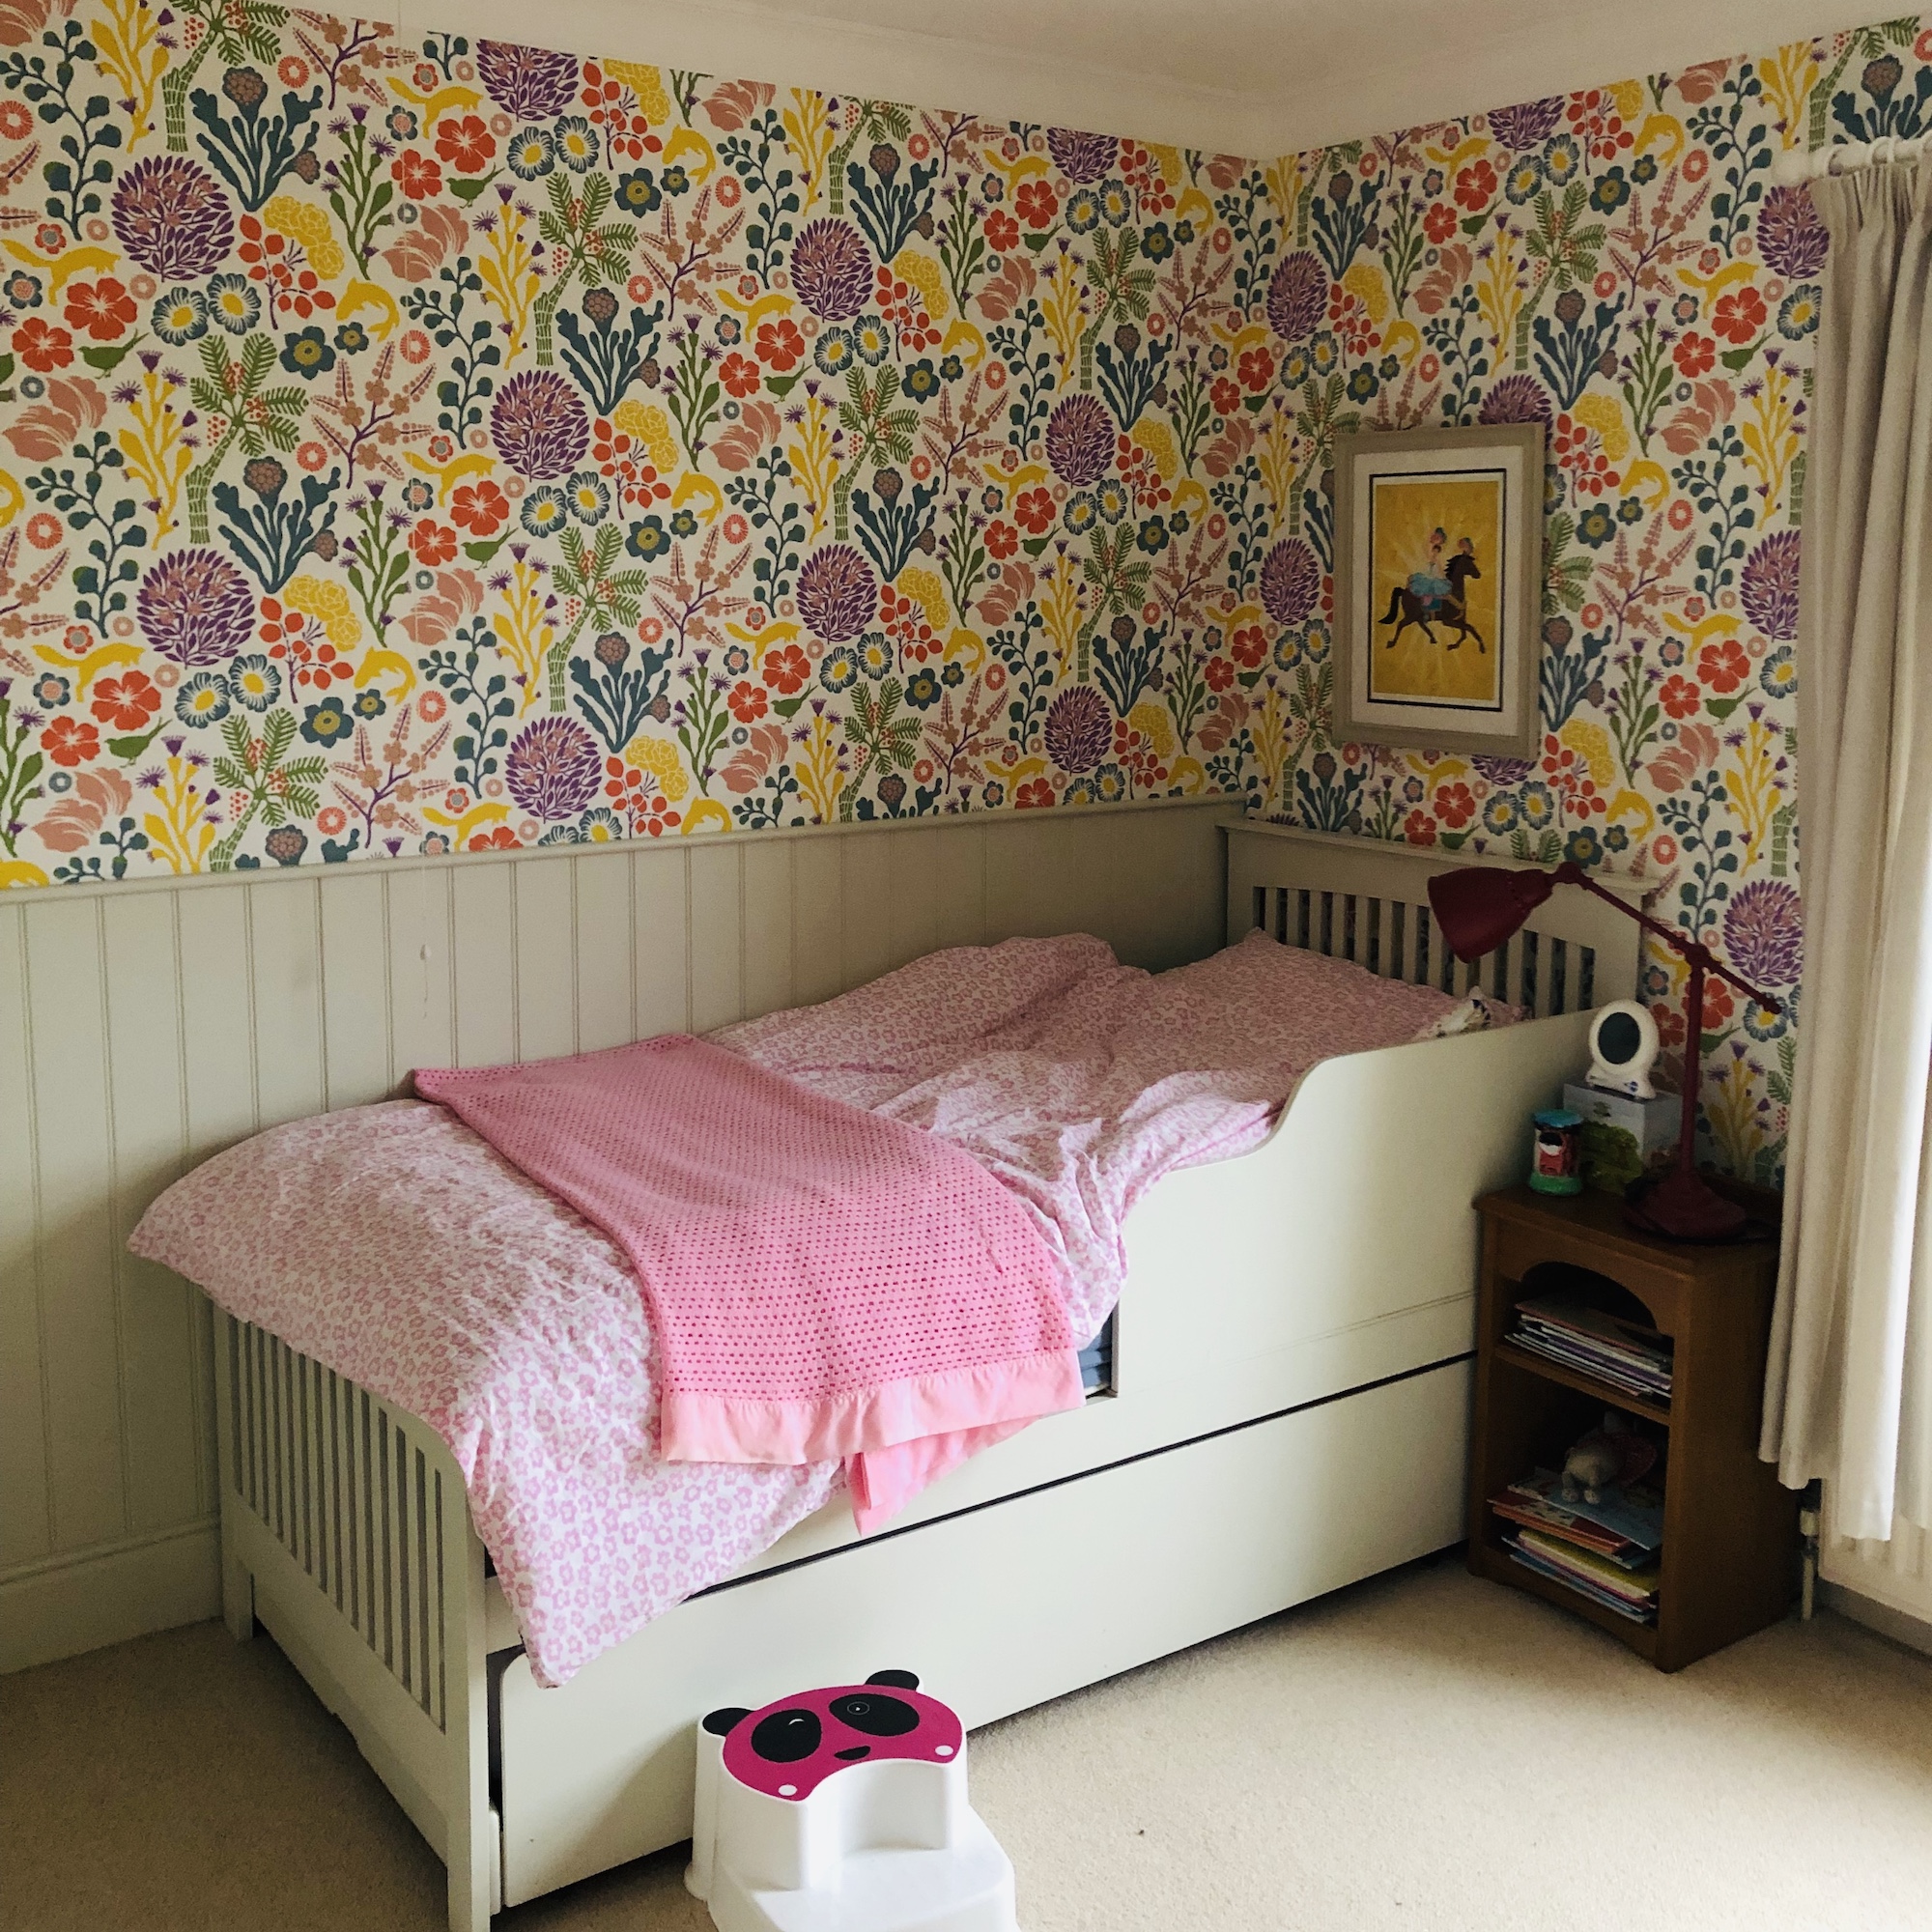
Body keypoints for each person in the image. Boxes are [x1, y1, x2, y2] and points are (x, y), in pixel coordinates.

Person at [1406, 526, 1452, 611]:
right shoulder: (1430, 552)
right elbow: (1428, 564)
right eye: (1436, 536)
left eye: (1438, 537)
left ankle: (1432, 608)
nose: (1434, 553)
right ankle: (1426, 607)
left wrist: (1440, 574)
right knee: (1427, 588)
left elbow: (1439, 568)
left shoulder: (1438, 558)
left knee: (1434, 589)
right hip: (1429, 574)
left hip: (1434, 574)